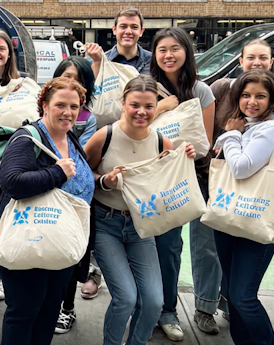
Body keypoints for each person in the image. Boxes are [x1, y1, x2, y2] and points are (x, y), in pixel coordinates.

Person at [84, 76, 196, 345]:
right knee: (125, 298)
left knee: (154, 302)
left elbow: (172, 176)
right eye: (135, 105)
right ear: (123, 104)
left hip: (140, 227)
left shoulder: (160, 142)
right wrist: (104, 180)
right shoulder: (105, 136)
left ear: (156, 106)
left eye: (149, 106)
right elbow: (84, 174)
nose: (142, 112)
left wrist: (185, 156)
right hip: (105, 223)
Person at [0, 77, 94, 345]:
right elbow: (12, 182)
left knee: (48, 313)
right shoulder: (27, 138)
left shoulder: (71, 138)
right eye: (60, 105)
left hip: (60, 240)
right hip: (29, 237)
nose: (67, 112)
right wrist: (57, 172)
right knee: (23, 313)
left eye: (73, 106)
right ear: (44, 105)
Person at [150, 27, 217, 340]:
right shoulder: (147, 88)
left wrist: (190, 151)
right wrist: (161, 107)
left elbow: (204, 143)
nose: (168, 55)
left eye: (175, 48)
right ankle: (161, 309)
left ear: (187, 52)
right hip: (158, 180)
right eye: (162, 49)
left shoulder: (202, 90)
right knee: (165, 247)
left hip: (194, 178)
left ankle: (188, 308)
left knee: (194, 247)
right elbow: (132, 128)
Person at [214, 68, 274, 345]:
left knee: (244, 296)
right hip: (231, 213)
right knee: (234, 295)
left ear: (273, 100)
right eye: (245, 95)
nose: (251, 102)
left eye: (260, 96)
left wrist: (230, 136)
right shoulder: (247, 125)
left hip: (258, 214)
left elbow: (242, 167)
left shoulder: (270, 128)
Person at [52, 56, 101, 334]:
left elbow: (77, 153)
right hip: (48, 192)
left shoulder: (88, 119)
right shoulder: (46, 111)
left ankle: (67, 309)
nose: (72, 83)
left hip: (75, 197)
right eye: (66, 76)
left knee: (72, 254)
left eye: (78, 79)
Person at [84, 7, 152, 76]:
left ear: (141, 31)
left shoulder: (153, 62)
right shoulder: (97, 62)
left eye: (134, 27)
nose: (128, 32)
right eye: (123, 26)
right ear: (114, 30)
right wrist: (97, 62)